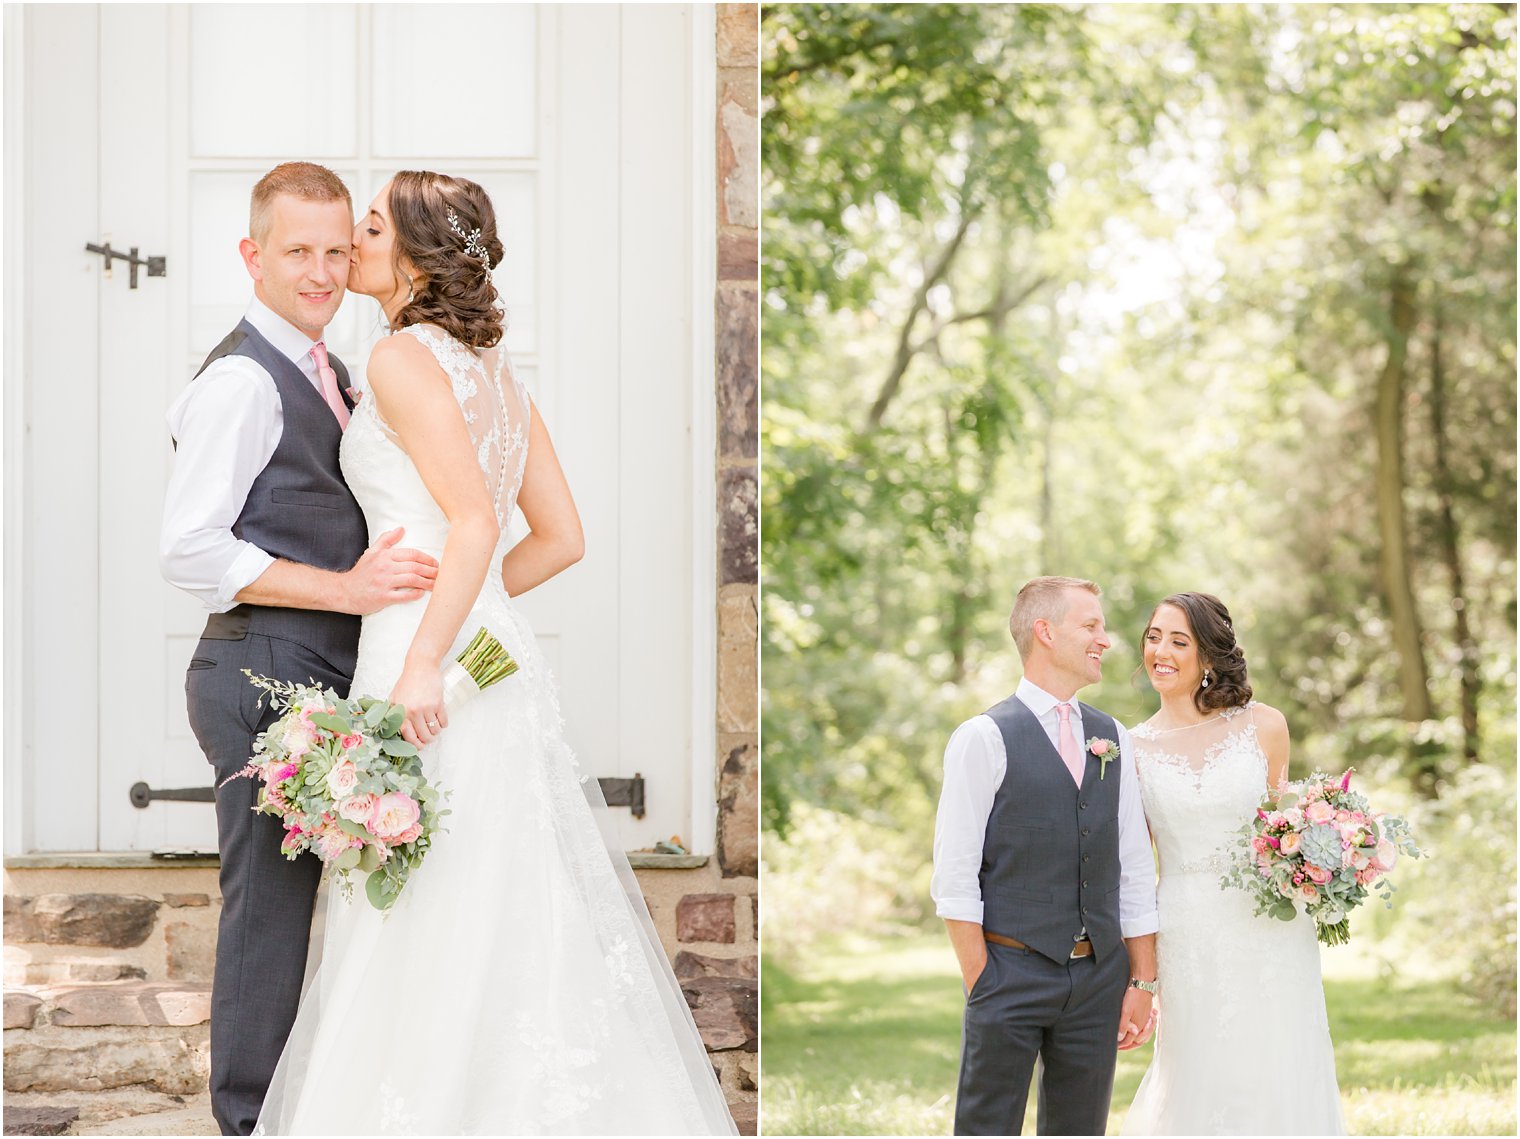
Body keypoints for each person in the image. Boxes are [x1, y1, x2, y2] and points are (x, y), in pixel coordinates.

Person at [252, 170, 736, 1135]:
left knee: (421, 896)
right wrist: (481, 625)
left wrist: (430, 654)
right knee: (500, 886)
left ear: (420, 256)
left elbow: (473, 519)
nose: (354, 239)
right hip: (492, 656)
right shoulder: (501, 380)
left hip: (425, 658)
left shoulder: (397, 357)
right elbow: (560, 537)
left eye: (373, 226)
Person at [160, 161, 441, 1138]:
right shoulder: (242, 380)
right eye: (297, 251)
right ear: (253, 255)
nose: (321, 272)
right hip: (258, 667)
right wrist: (349, 590)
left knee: (336, 904)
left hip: (317, 669)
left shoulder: (335, 369)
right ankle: (245, 1121)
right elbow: (189, 547)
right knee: (269, 913)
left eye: (336, 249)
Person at [932, 576, 1160, 1136]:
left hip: (1099, 977)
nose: (1106, 639)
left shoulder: (1114, 737)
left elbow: (1133, 864)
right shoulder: (982, 738)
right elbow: (954, 877)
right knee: (987, 1127)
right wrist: (982, 979)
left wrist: (1141, 982)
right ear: (1045, 632)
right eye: (1091, 625)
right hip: (1008, 971)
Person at [1121, 592, 1344, 1135]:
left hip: (1270, 926)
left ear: (1210, 655)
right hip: (1185, 928)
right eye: (1154, 637)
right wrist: (1142, 977)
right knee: (1196, 1067)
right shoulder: (1131, 749)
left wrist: (1326, 856)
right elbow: (1132, 870)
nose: (1161, 652)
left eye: (1179, 641)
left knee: (1279, 1058)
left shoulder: (1264, 726)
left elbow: (1280, 830)